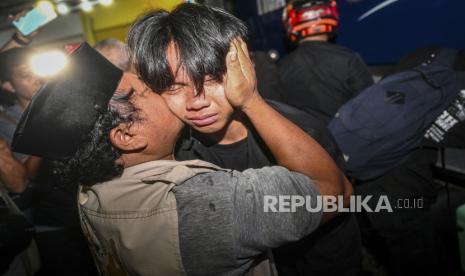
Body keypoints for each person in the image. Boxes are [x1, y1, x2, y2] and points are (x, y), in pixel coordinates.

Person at [12, 41, 350, 275]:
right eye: (146, 91)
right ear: (127, 136)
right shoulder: (201, 204)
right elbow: (335, 193)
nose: (162, 92)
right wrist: (251, 101)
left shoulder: (91, 192)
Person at [127, 3, 360, 275]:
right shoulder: (175, 154)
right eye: (174, 87)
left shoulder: (302, 131)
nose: (196, 101)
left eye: (211, 79)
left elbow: (336, 214)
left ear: (242, 67)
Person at [279, 0, 373, 125]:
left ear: (291, 23)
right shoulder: (348, 58)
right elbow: (371, 106)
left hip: (306, 140)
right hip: (348, 137)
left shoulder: (281, 67)